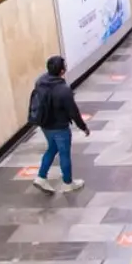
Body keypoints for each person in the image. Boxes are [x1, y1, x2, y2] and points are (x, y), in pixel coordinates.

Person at [29, 55, 89, 194]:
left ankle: (41, 177)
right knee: (64, 154)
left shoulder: (40, 81)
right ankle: (68, 183)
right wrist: (83, 127)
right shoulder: (63, 90)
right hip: (60, 127)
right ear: (62, 71)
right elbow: (73, 112)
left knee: (52, 148)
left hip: (45, 125)